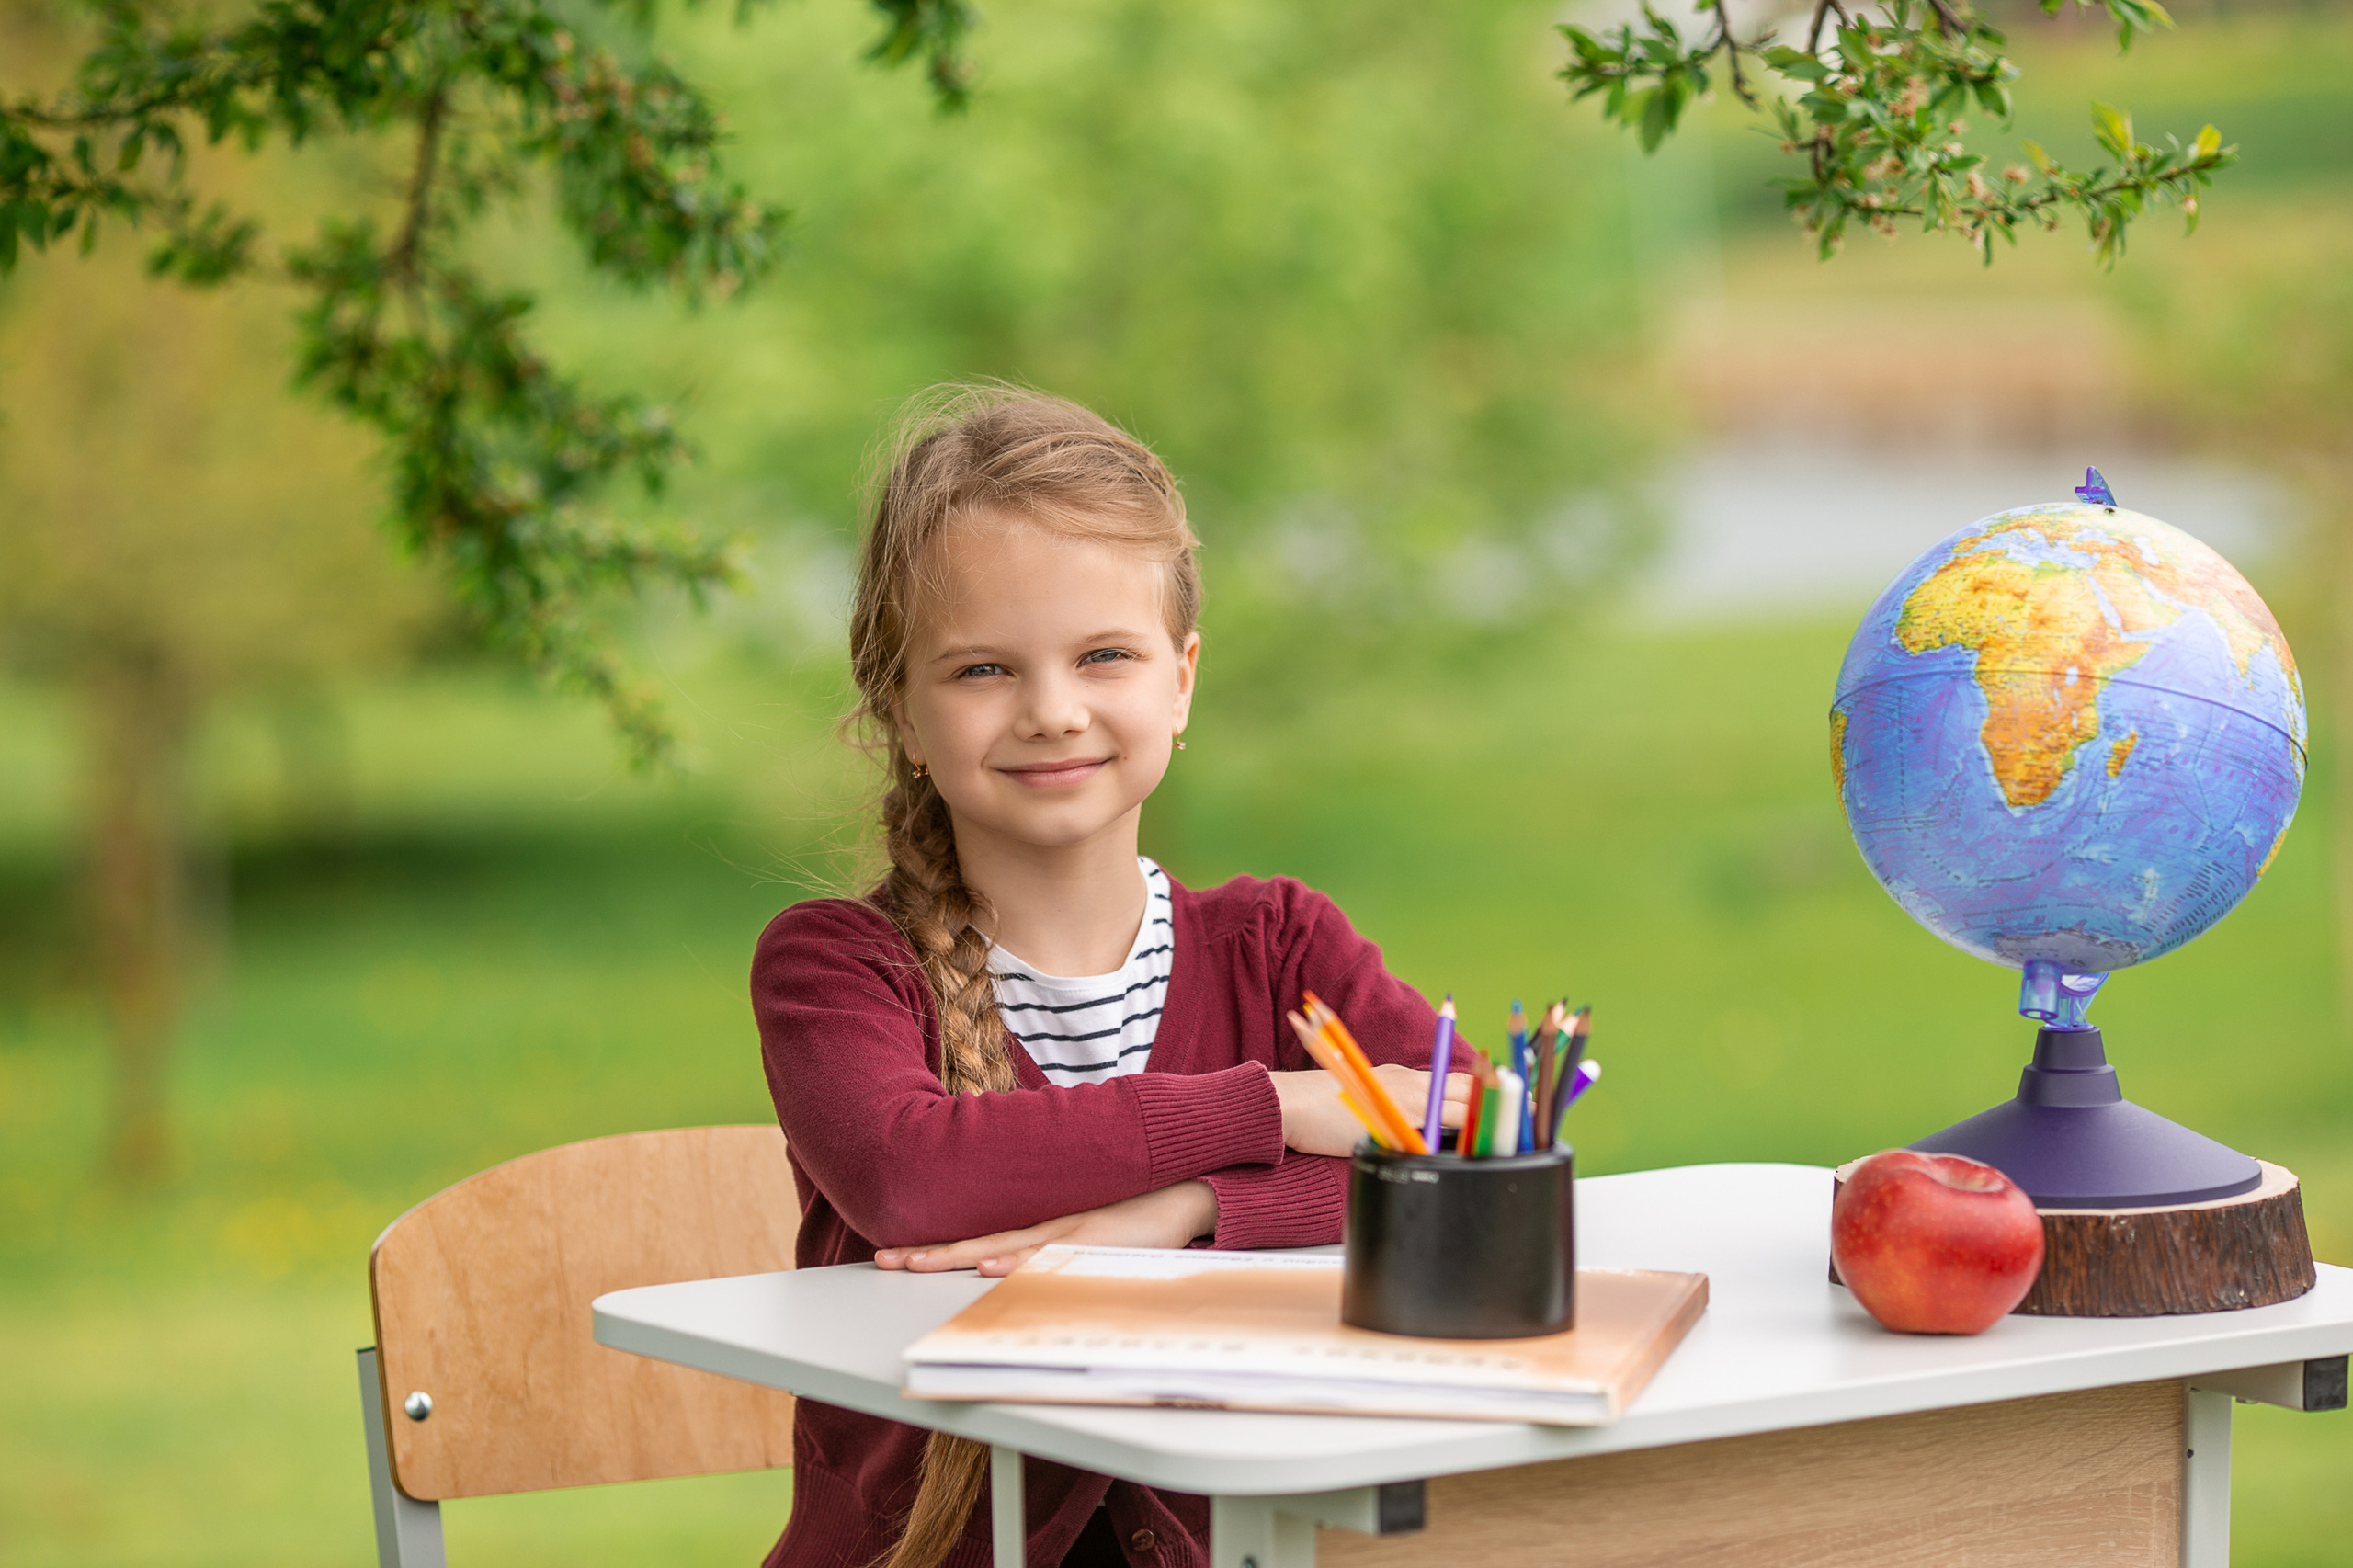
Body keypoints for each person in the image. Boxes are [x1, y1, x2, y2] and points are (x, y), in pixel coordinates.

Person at [751, 384, 1467, 1568]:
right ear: (901, 713)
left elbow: (1480, 1148)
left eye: (1104, 656)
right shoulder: (838, 967)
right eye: (983, 670)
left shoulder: (1280, 945)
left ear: (1180, 681)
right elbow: (910, 1174)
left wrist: (1195, 1213)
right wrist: (1274, 1108)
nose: (1053, 710)